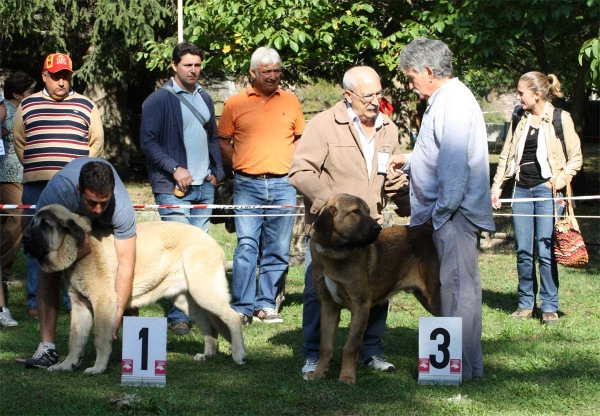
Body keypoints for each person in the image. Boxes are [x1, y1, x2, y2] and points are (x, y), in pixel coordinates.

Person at [289, 66, 411, 378]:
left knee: (375, 291)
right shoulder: (324, 126)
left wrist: (416, 207)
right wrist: (329, 202)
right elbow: (300, 171)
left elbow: (393, 180)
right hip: (332, 233)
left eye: (379, 94)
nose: (375, 101)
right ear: (348, 95)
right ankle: (314, 355)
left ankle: (371, 351)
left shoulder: (389, 129)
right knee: (318, 294)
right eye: (368, 95)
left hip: (370, 229)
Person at [387, 38, 496, 381]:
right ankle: (466, 367)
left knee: (458, 290)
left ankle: (457, 370)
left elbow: (453, 167)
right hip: (447, 213)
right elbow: (435, 153)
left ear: (429, 72)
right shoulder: (445, 101)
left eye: (411, 77)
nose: (410, 84)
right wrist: (408, 160)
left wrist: (440, 214)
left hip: (452, 214)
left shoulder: (454, 103)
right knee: (456, 289)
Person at [18, 157, 136, 368]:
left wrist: (115, 318)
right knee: (48, 270)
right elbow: (43, 249)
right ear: (79, 189)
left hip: (106, 226)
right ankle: (47, 347)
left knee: (120, 270)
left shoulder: (121, 205)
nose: (98, 209)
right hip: (66, 214)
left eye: (103, 203)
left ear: (111, 193)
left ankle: (132, 349)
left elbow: (127, 264)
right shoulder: (57, 194)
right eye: (92, 202)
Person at [140, 42, 225, 336]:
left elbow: (213, 137)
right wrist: (175, 168)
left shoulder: (205, 97)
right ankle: (179, 316)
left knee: (197, 253)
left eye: (198, 65)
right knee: (179, 253)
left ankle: (197, 309)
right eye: (188, 65)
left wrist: (218, 172)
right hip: (172, 188)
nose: (193, 70)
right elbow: (148, 142)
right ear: (174, 65)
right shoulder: (157, 100)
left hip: (205, 187)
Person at [218, 46, 305, 325]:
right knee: (246, 245)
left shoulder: (291, 102)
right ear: (253, 73)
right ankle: (242, 307)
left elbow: (300, 138)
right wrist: (239, 163)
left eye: (277, 71)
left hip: (283, 184)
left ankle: (266, 304)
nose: (272, 76)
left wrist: (294, 166)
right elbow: (222, 140)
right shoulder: (234, 103)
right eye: (266, 71)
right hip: (247, 184)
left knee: (278, 248)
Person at [13, 53, 104, 319]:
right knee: (35, 242)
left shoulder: (86, 105)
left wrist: (80, 174)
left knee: (74, 240)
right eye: (55, 77)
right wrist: (37, 168)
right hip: (37, 186)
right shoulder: (27, 105)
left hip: (75, 189)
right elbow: (20, 143)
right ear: (44, 77)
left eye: (65, 76)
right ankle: (34, 300)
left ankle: (72, 298)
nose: (61, 82)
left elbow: (95, 142)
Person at [491, 72, 582, 326]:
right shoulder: (519, 117)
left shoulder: (559, 118)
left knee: (545, 250)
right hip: (521, 190)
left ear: (537, 94)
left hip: (546, 192)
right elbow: (507, 154)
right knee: (523, 250)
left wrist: (558, 182)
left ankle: (550, 306)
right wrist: (496, 188)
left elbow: (576, 158)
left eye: (521, 93)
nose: (518, 97)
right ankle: (525, 303)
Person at [1, 72, 36, 281]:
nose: (33, 94)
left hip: (18, 172)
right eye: (29, 91)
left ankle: (5, 269)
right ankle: (3, 267)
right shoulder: (6, 110)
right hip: (8, 172)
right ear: (16, 93)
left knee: (9, 221)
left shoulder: (20, 109)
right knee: (18, 219)